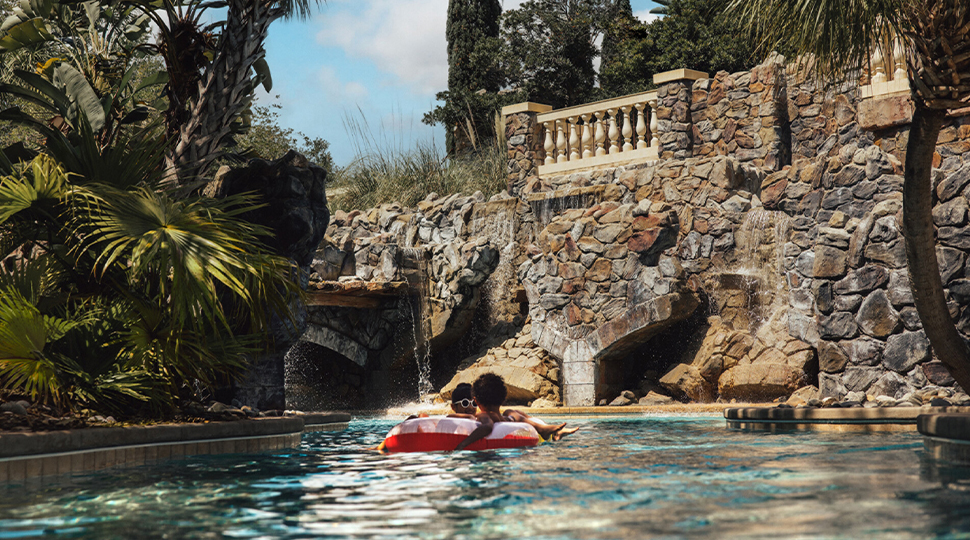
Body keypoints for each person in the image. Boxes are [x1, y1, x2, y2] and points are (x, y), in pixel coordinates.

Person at [454, 373, 578, 451]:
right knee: (512, 412)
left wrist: (463, 444)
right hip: (511, 420)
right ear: (503, 398)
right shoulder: (506, 414)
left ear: (476, 400)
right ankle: (545, 429)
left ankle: (546, 430)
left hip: (506, 426)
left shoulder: (484, 415)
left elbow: (487, 427)